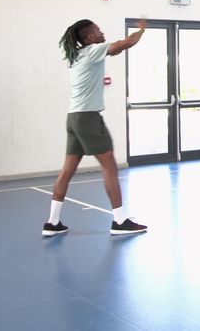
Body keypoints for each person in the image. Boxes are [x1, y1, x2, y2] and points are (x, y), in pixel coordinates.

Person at [43, 19, 149, 237]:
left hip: (73, 118)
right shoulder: (93, 50)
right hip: (88, 119)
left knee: (67, 171)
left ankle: (52, 223)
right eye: (98, 31)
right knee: (109, 166)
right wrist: (141, 30)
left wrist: (122, 45)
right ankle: (120, 220)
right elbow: (126, 43)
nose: (102, 33)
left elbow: (116, 50)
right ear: (90, 37)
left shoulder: (78, 56)